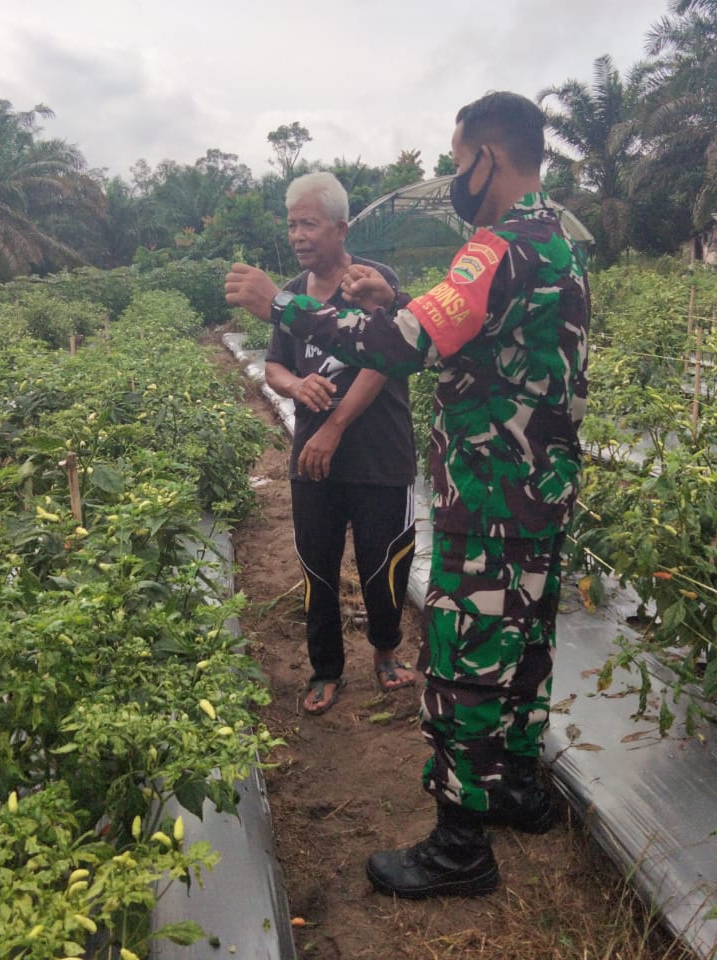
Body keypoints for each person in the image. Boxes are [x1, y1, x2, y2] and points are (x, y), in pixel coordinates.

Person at [226, 91, 590, 899]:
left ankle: (460, 843)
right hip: (542, 489)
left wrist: (282, 305)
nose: (456, 175)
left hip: (489, 495)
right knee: (525, 647)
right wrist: (393, 302)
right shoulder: (557, 244)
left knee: (461, 661)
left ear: (488, 159)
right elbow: (471, 332)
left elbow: (397, 349)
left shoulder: (492, 249)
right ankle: (519, 790)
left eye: (459, 160)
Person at [264, 172, 419, 716]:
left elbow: (383, 362)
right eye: (291, 225)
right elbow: (274, 365)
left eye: (308, 223)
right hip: (313, 458)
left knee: (385, 561)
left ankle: (386, 652)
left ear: (340, 227)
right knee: (317, 562)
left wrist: (334, 426)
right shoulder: (288, 296)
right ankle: (325, 669)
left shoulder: (374, 281)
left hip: (379, 453)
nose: (298, 235)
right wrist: (294, 384)